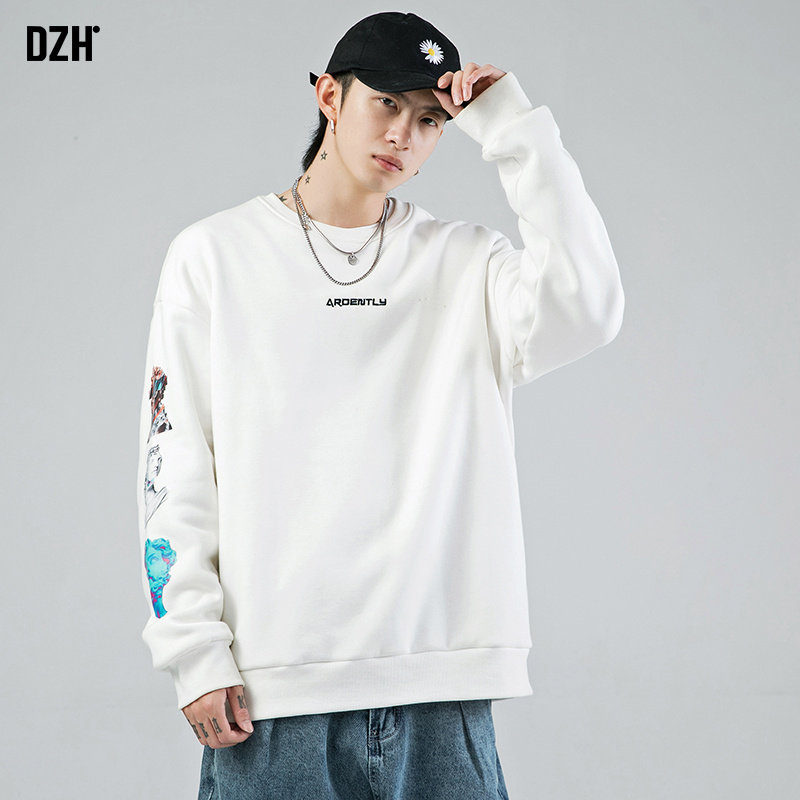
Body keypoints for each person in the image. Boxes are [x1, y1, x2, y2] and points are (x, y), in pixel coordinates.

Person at [136, 10, 624, 799]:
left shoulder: (467, 263)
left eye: (430, 119)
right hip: (272, 697)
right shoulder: (214, 256)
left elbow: (589, 306)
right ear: (330, 96)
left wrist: (514, 131)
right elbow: (174, 463)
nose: (404, 134)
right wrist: (193, 651)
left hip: (442, 690)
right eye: (386, 103)